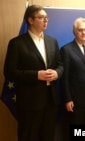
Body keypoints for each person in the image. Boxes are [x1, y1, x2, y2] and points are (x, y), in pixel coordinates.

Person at [3, 5, 63, 141]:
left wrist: (57, 73)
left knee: (48, 136)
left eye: (47, 18)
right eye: (41, 18)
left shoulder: (52, 41)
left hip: (51, 101)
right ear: (30, 20)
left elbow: (60, 65)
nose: (46, 20)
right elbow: (9, 72)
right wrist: (36, 75)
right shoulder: (17, 43)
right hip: (29, 103)